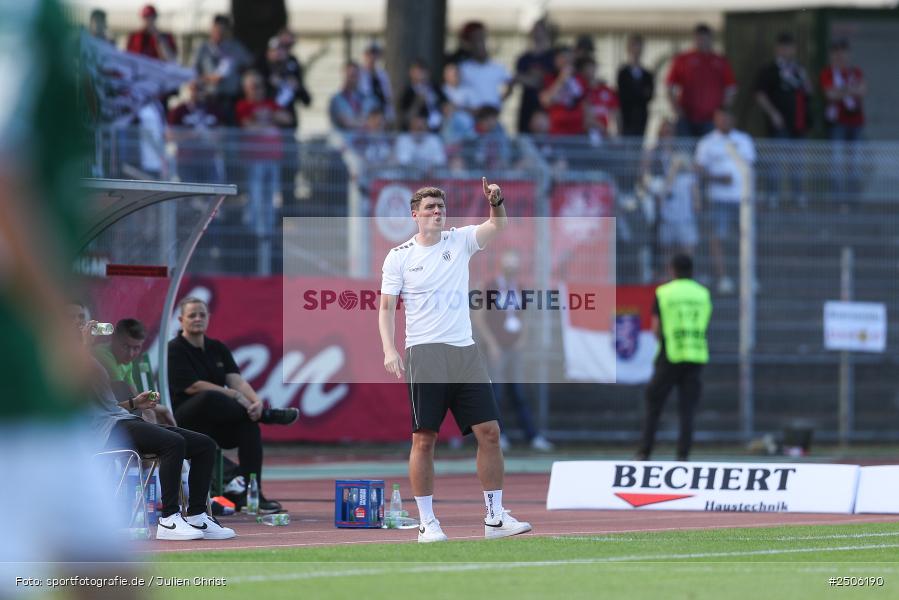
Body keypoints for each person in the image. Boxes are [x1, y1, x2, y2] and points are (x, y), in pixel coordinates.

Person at [378, 180, 533, 543]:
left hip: (464, 352)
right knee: (424, 439)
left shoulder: (458, 240)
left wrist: (497, 202)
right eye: (429, 207)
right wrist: (389, 349)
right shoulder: (399, 256)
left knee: (490, 433)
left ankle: (495, 518)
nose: (436, 212)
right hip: (424, 353)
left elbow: (498, 226)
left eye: (440, 207)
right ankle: (427, 522)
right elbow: (386, 309)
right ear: (414, 214)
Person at [77, 310, 236, 541]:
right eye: (72, 319)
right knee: (173, 443)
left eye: (81, 318)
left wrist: (134, 402)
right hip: (103, 431)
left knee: (205, 445)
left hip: (120, 418)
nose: (80, 324)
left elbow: (104, 404)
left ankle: (197, 515)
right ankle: (169, 519)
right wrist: (83, 347)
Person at [168, 297, 299, 513]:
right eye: (192, 315)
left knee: (249, 426)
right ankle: (267, 415)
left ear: (209, 317)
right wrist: (233, 395)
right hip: (187, 421)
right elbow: (194, 387)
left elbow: (236, 380)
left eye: (202, 314)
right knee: (211, 395)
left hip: (217, 422)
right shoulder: (174, 349)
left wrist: (255, 402)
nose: (198, 318)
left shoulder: (217, 347)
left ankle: (250, 494)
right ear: (181, 320)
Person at [472, 250, 554, 452]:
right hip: (496, 349)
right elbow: (479, 317)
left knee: (518, 392)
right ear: (501, 264)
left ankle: (532, 436)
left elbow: (524, 316)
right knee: (496, 393)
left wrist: (523, 339)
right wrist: (491, 343)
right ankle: (499, 436)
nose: (512, 267)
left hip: (513, 348)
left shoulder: (519, 287)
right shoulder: (490, 286)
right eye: (508, 263)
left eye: (515, 263)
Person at [636, 253, 712, 462]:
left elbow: (656, 327)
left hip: (670, 353)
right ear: (692, 270)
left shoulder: (665, 292)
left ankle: (645, 451)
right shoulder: (702, 293)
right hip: (695, 354)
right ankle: (683, 455)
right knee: (687, 409)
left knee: (653, 402)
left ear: (672, 270)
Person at [694, 108, 755, 295]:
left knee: (746, 238)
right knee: (717, 238)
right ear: (715, 120)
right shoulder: (707, 143)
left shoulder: (744, 140)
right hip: (719, 199)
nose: (724, 122)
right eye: (721, 119)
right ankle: (723, 278)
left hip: (743, 200)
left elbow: (752, 167)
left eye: (728, 118)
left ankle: (748, 278)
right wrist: (718, 178)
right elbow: (698, 169)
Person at [754, 32, 812, 205]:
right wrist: (773, 113)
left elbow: (808, 91)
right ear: (778, 49)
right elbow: (759, 94)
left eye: (790, 47)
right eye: (783, 47)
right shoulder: (769, 70)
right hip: (778, 124)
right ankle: (773, 196)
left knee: (798, 163)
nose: (787, 51)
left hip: (798, 124)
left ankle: (798, 196)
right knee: (775, 162)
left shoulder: (798, 69)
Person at [94, 317, 177, 426]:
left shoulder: (127, 362)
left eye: (136, 348)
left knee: (153, 414)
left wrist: (158, 407)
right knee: (149, 415)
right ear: (114, 338)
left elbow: (134, 393)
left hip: (114, 411)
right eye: (125, 346)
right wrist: (155, 408)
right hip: (98, 417)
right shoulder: (103, 355)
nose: (130, 354)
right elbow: (125, 396)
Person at [666, 24, 736, 137]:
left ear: (711, 39)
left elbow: (731, 88)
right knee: (685, 152)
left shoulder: (720, 61)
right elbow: (670, 86)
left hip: (711, 119)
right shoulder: (683, 59)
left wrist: (722, 111)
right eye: (699, 38)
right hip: (686, 117)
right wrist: (676, 109)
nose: (702, 41)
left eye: (705, 38)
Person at [820, 39, 865, 198]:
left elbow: (862, 91)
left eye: (843, 52)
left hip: (856, 122)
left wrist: (841, 91)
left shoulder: (856, 72)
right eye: (836, 52)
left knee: (856, 162)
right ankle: (837, 198)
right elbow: (830, 95)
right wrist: (849, 89)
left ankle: (854, 199)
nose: (840, 56)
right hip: (837, 123)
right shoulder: (827, 73)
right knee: (836, 161)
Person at [192, 14, 254, 125]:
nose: (219, 33)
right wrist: (209, 78)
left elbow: (249, 65)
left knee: (230, 130)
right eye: (217, 29)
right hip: (209, 98)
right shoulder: (203, 48)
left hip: (231, 98)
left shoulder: (236, 47)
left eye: (223, 30)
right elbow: (192, 73)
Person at [167, 80, 225, 184]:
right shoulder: (179, 111)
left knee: (210, 190)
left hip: (208, 158)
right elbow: (170, 136)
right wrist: (191, 135)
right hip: (186, 159)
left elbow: (222, 132)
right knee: (188, 191)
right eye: (193, 89)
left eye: (200, 89)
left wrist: (210, 136)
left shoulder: (213, 109)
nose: (197, 92)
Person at [514, 18, 556, 134]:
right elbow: (517, 78)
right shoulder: (524, 58)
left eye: (540, 30)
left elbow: (548, 80)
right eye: (535, 30)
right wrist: (535, 79)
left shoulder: (553, 57)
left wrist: (531, 78)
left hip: (546, 106)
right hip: (527, 105)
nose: (537, 33)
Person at [617, 34, 654, 139]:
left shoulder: (647, 74)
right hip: (627, 116)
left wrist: (635, 92)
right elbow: (623, 95)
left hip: (641, 117)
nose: (636, 49)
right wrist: (640, 92)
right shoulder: (623, 73)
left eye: (639, 46)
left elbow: (649, 95)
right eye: (634, 46)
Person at [329, 61, 377, 132]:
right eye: (349, 75)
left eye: (355, 75)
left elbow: (377, 122)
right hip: (344, 141)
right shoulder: (336, 100)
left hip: (365, 141)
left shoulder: (368, 99)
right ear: (343, 75)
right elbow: (346, 122)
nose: (352, 79)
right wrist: (367, 123)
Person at [358, 42, 396, 127]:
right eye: (370, 53)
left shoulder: (383, 75)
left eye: (375, 54)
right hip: (366, 118)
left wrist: (390, 116)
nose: (373, 57)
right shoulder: (359, 74)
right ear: (365, 55)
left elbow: (388, 96)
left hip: (382, 117)